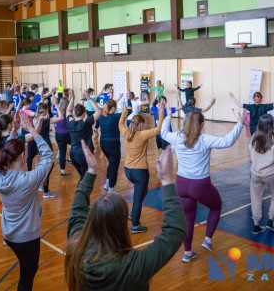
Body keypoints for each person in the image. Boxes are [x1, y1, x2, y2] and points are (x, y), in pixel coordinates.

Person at [65, 140, 186, 290]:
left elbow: (77, 210)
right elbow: (174, 232)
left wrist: (91, 172)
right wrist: (167, 180)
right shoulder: (134, 266)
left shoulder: (77, 247)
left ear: (93, 220)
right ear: (121, 224)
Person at [161, 109, 246, 262]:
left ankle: (187, 253)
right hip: (199, 185)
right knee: (216, 206)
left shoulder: (177, 137)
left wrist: (167, 115)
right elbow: (228, 141)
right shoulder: (205, 139)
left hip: (181, 184)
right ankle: (207, 240)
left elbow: (163, 133)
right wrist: (240, 123)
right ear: (201, 124)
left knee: (188, 218)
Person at [0, 113, 54, 291]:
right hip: (26, 238)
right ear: (22, 156)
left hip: (9, 234)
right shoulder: (28, 180)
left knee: (25, 266)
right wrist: (32, 130)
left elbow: (7, 150)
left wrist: (14, 132)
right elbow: (48, 156)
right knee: (27, 277)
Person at [119, 101, 164, 233]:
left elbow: (120, 124)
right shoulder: (142, 134)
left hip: (128, 170)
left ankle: (133, 214)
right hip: (140, 172)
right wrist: (161, 112)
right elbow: (158, 129)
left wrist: (125, 111)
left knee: (142, 192)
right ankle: (135, 226)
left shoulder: (126, 133)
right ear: (139, 125)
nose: (144, 126)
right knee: (138, 200)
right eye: (143, 124)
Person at [249, 114, 274, 235]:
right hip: (270, 174)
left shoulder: (254, 136)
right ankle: (270, 221)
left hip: (255, 173)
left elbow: (250, 154)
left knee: (255, 198)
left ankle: (256, 225)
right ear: (271, 125)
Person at [66, 90, 101, 179]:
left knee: (82, 177)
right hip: (83, 153)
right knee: (85, 179)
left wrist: (72, 98)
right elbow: (98, 112)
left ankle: (79, 192)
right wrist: (89, 98)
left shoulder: (71, 123)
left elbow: (68, 110)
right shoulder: (86, 123)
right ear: (84, 112)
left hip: (73, 153)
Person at [98, 99, 122, 193]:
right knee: (114, 165)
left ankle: (107, 183)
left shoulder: (101, 116)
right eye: (115, 107)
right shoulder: (115, 117)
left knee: (111, 163)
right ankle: (111, 188)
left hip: (103, 143)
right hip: (113, 144)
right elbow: (129, 111)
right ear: (112, 108)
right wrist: (128, 101)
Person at [52, 96, 71, 177]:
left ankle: (63, 172)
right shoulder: (67, 112)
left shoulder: (57, 111)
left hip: (58, 135)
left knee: (62, 153)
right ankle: (71, 160)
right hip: (65, 134)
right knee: (77, 143)